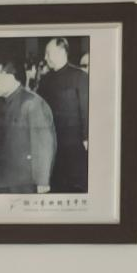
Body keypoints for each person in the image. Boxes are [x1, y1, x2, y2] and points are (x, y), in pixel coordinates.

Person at [0, 59, 56, 194]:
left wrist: (42, 181)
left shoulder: (32, 103)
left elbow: (44, 144)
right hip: (1, 179)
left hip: (24, 182)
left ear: (11, 78)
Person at [35, 37, 89, 193]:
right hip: (52, 145)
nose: (45, 58)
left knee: (76, 186)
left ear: (61, 52)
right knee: (56, 185)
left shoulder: (80, 76)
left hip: (74, 145)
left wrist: (86, 137)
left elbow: (86, 109)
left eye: (48, 53)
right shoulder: (45, 80)